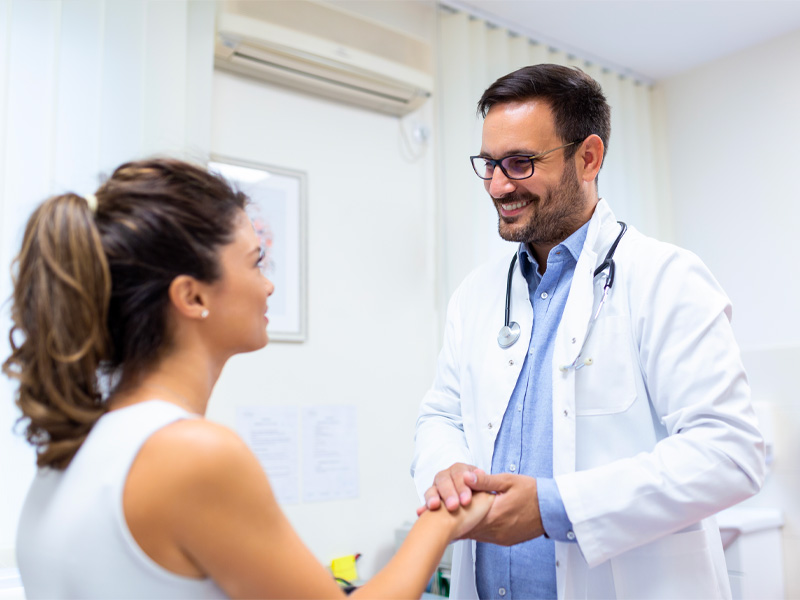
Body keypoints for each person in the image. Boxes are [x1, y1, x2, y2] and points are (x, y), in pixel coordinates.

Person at [4, 158, 493, 599]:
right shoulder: (191, 454)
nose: (269, 284)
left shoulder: (74, 447)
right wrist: (442, 521)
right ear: (192, 297)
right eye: (256, 262)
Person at [411, 64, 766, 599]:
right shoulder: (476, 296)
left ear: (589, 157)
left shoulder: (666, 278)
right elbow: (441, 414)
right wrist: (449, 471)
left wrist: (556, 508)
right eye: (489, 165)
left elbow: (729, 453)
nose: (499, 185)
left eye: (521, 163)